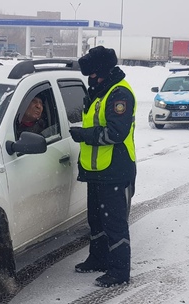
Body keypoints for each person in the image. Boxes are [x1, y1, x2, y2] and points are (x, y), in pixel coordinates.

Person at [69, 46, 137, 288]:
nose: (90, 79)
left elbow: (117, 132)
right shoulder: (99, 90)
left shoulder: (119, 94)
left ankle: (119, 271)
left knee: (114, 223)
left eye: (93, 74)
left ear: (103, 71)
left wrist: (84, 134)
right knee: (96, 219)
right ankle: (98, 259)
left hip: (116, 169)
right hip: (96, 169)